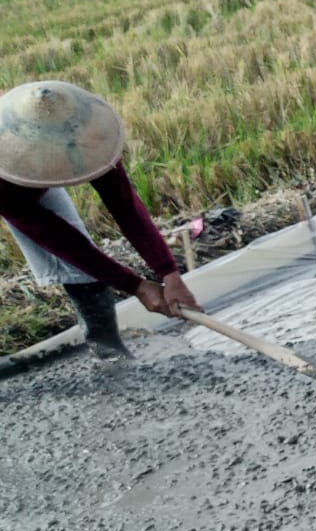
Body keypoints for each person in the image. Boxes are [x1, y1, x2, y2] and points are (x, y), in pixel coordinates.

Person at [0, 80, 202, 360]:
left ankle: (110, 355)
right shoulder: (7, 177)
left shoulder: (87, 132)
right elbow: (65, 242)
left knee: (83, 274)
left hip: (23, 170)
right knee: (77, 261)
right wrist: (137, 286)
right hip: (8, 185)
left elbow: (125, 207)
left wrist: (169, 273)